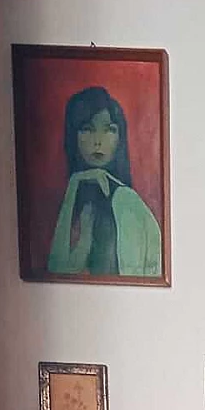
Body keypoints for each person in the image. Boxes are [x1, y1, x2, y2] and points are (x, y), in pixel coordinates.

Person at [47, 86, 162, 278]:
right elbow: (58, 267)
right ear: (73, 137)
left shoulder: (126, 200)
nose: (97, 141)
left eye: (109, 130)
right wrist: (74, 184)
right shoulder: (85, 194)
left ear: (120, 138)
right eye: (87, 129)